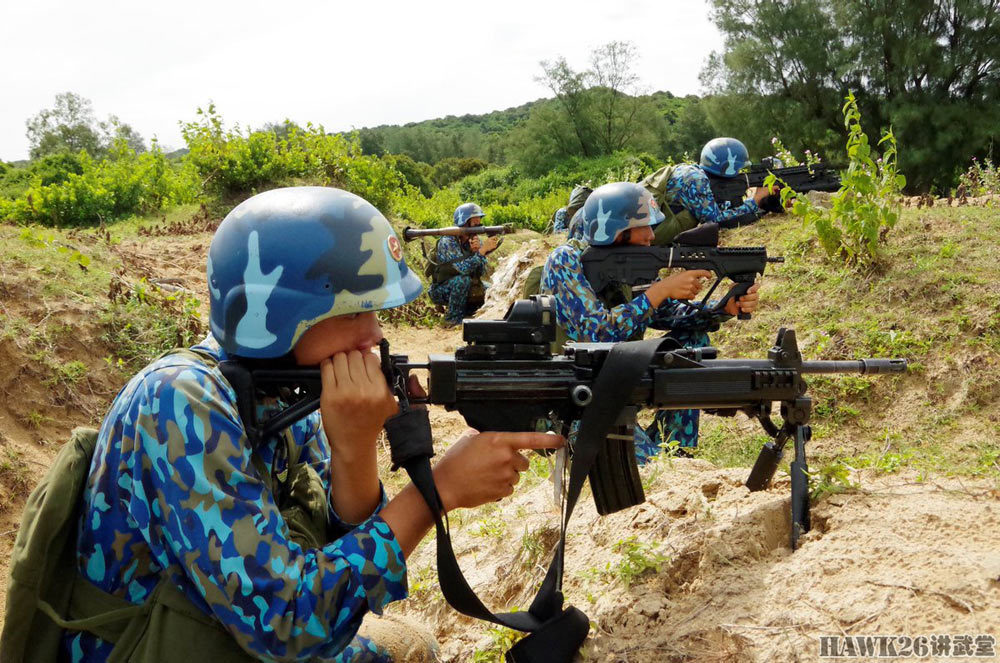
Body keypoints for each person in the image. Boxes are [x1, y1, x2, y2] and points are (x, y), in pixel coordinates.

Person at [28, 187, 562, 663]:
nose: (374, 336)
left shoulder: (281, 389)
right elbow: (287, 625)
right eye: (353, 313)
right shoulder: (181, 399)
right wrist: (436, 493)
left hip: (212, 627)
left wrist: (354, 447)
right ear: (275, 316)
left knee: (410, 647)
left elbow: (337, 542)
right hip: (151, 645)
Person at [540, 182, 759, 459]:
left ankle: (678, 450)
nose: (651, 235)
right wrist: (660, 291)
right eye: (644, 225)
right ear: (617, 230)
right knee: (654, 468)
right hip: (575, 398)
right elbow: (596, 333)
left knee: (690, 345)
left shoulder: (633, 262)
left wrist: (721, 309)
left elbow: (669, 315)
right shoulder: (565, 262)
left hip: (619, 378)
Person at [641, 137, 779, 244]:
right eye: (738, 170)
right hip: (648, 234)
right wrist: (754, 201)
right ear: (727, 168)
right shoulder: (695, 179)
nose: (739, 174)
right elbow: (715, 219)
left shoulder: (693, 171)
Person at [427, 202, 498, 327]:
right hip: (441, 289)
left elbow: (481, 273)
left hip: (464, 285)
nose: (478, 225)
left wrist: (476, 252)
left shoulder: (475, 240)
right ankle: (453, 320)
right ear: (464, 222)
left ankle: (470, 313)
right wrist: (481, 252)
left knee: (491, 289)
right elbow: (462, 269)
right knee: (462, 281)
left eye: (479, 222)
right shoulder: (448, 241)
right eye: (475, 222)